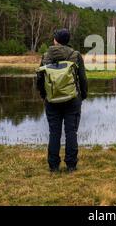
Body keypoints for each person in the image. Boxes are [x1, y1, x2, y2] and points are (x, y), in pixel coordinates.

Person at [37, 29, 88, 173]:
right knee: (71, 132)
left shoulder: (46, 56)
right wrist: (82, 95)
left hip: (51, 100)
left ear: (56, 40)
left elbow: (40, 79)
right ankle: (71, 165)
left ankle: (54, 166)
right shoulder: (75, 55)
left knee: (54, 132)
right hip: (72, 99)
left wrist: (44, 95)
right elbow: (83, 78)